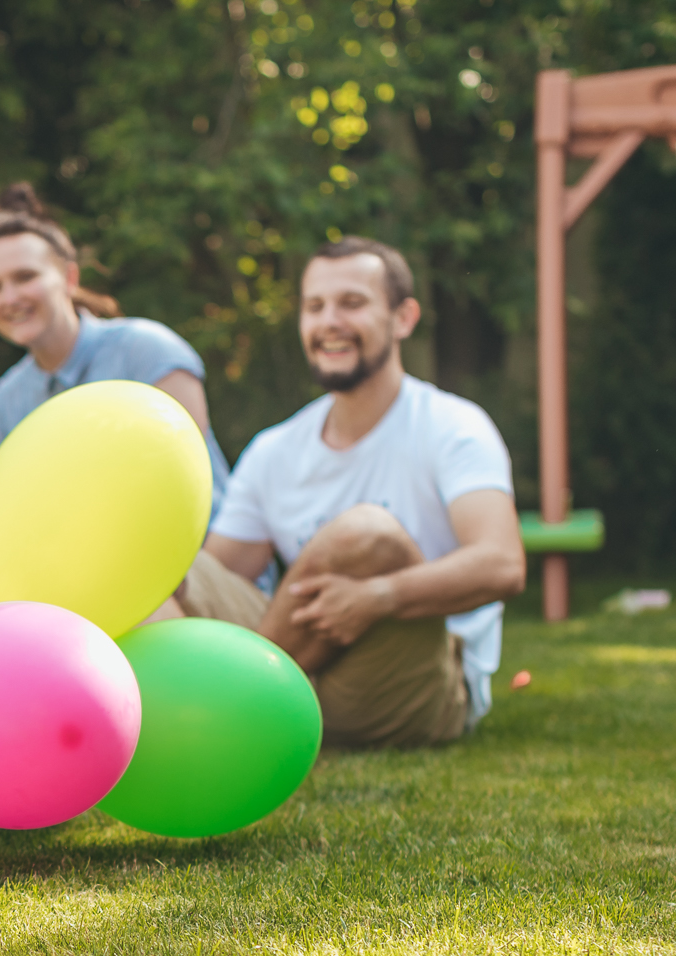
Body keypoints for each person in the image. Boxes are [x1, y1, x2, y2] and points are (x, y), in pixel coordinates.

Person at [175, 236, 526, 749]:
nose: (329, 322)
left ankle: (233, 711)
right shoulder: (275, 449)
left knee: (365, 534)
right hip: (313, 662)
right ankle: (172, 713)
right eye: (314, 307)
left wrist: (378, 596)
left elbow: (502, 565)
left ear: (403, 319)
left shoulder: (454, 427)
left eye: (352, 303)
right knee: (165, 564)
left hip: (411, 681)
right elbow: (217, 577)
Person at [0, 184, 232, 504]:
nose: (10, 298)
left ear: (69, 278)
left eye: (25, 277)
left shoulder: (146, 350)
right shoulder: (3, 404)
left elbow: (178, 474)